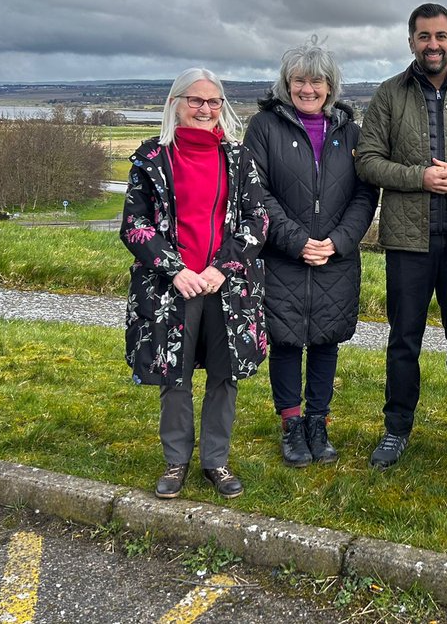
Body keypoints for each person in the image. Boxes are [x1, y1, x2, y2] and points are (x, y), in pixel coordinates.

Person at [355, 2, 447, 469]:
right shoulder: (388, 95)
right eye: (424, 37)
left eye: (440, 36)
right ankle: (396, 427)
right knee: (404, 339)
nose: (433, 45)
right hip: (407, 241)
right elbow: (367, 159)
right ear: (411, 42)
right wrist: (417, 177)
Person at [121, 67, 270, 500]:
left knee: (224, 377)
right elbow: (135, 224)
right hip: (173, 288)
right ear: (176, 104)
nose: (205, 109)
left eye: (213, 101)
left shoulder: (239, 158)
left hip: (227, 287)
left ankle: (216, 462)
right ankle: (175, 460)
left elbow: (257, 220)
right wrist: (176, 270)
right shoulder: (151, 159)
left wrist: (221, 268)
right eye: (195, 100)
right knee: (175, 374)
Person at [244, 43, 378, 467]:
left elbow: (364, 193)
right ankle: (292, 425)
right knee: (285, 340)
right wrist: (295, 240)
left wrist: (338, 241)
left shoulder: (350, 132)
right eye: (299, 80)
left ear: (330, 86)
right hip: (283, 255)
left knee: (325, 340)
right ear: (287, 84)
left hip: (335, 258)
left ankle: (318, 424)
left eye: (317, 80)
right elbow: (257, 191)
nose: (308, 88)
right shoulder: (264, 127)